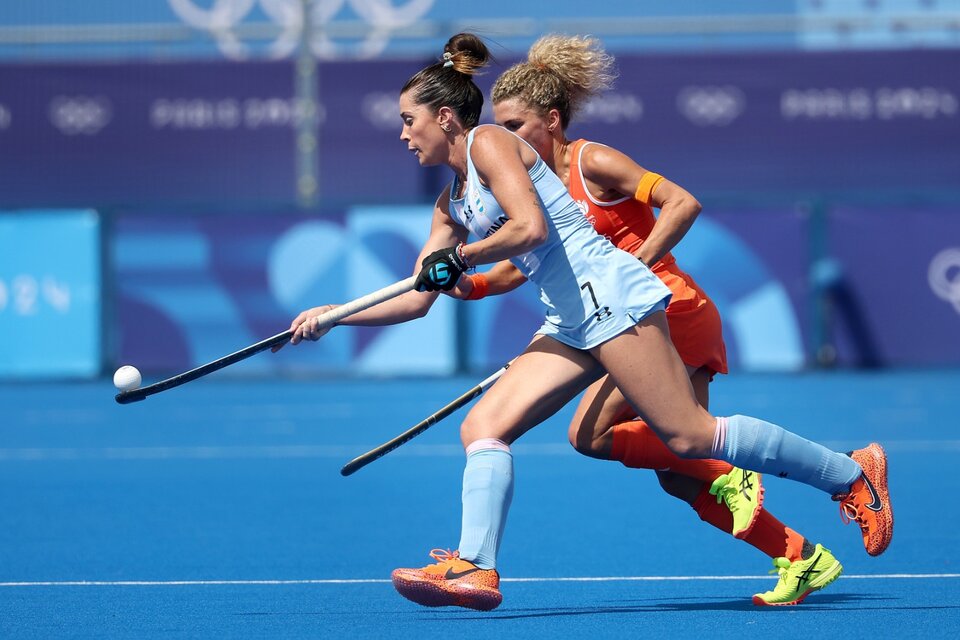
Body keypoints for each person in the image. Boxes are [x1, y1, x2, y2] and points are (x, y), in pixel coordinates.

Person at [275, 33, 892, 611]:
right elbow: (416, 298)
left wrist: (461, 258)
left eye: (408, 120)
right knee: (484, 427)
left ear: (444, 118)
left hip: (611, 294)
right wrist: (335, 317)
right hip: (568, 317)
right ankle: (475, 566)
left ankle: (850, 473)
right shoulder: (448, 204)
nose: (403, 135)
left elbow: (529, 228)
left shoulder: (490, 143)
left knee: (688, 438)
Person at [436, 33, 842, 606]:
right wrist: (470, 285)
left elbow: (682, 202)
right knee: (676, 468)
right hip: (611, 316)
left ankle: (783, 473)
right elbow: (523, 266)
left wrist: (634, 263)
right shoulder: (525, 185)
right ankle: (800, 557)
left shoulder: (592, 162)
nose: (505, 138)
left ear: (552, 120)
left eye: (516, 126)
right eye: (500, 127)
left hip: (669, 307)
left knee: (601, 435)